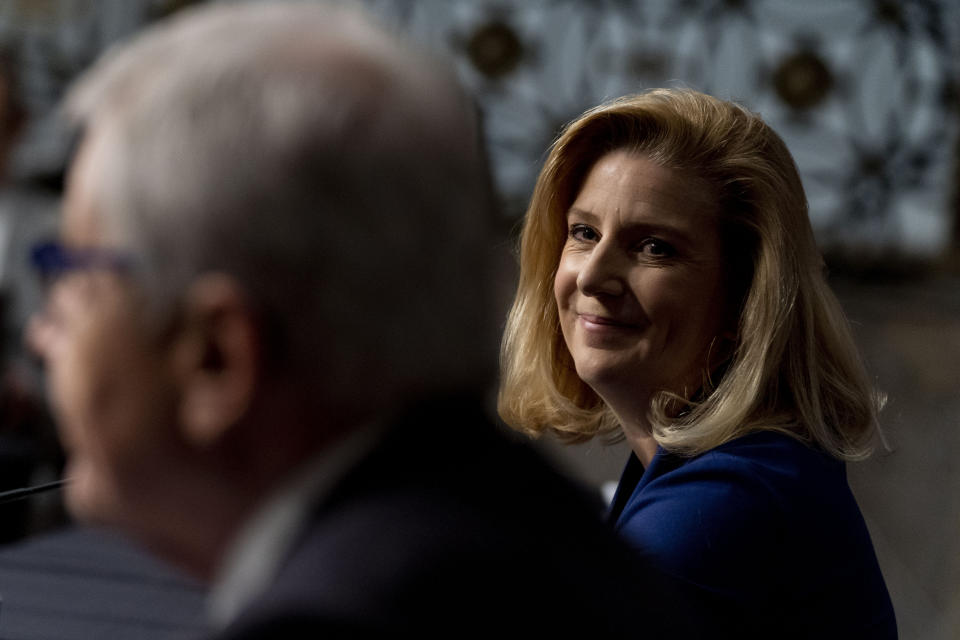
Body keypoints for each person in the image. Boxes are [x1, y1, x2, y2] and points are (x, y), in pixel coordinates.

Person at [25, 3, 696, 638]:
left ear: (217, 356)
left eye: (75, 280)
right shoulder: (538, 524)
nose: (41, 334)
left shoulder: (337, 624)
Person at [499, 88, 897, 638]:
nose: (592, 276)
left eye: (654, 248)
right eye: (584, 233)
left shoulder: (719, 510)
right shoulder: (729, 467)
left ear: (746, 298)